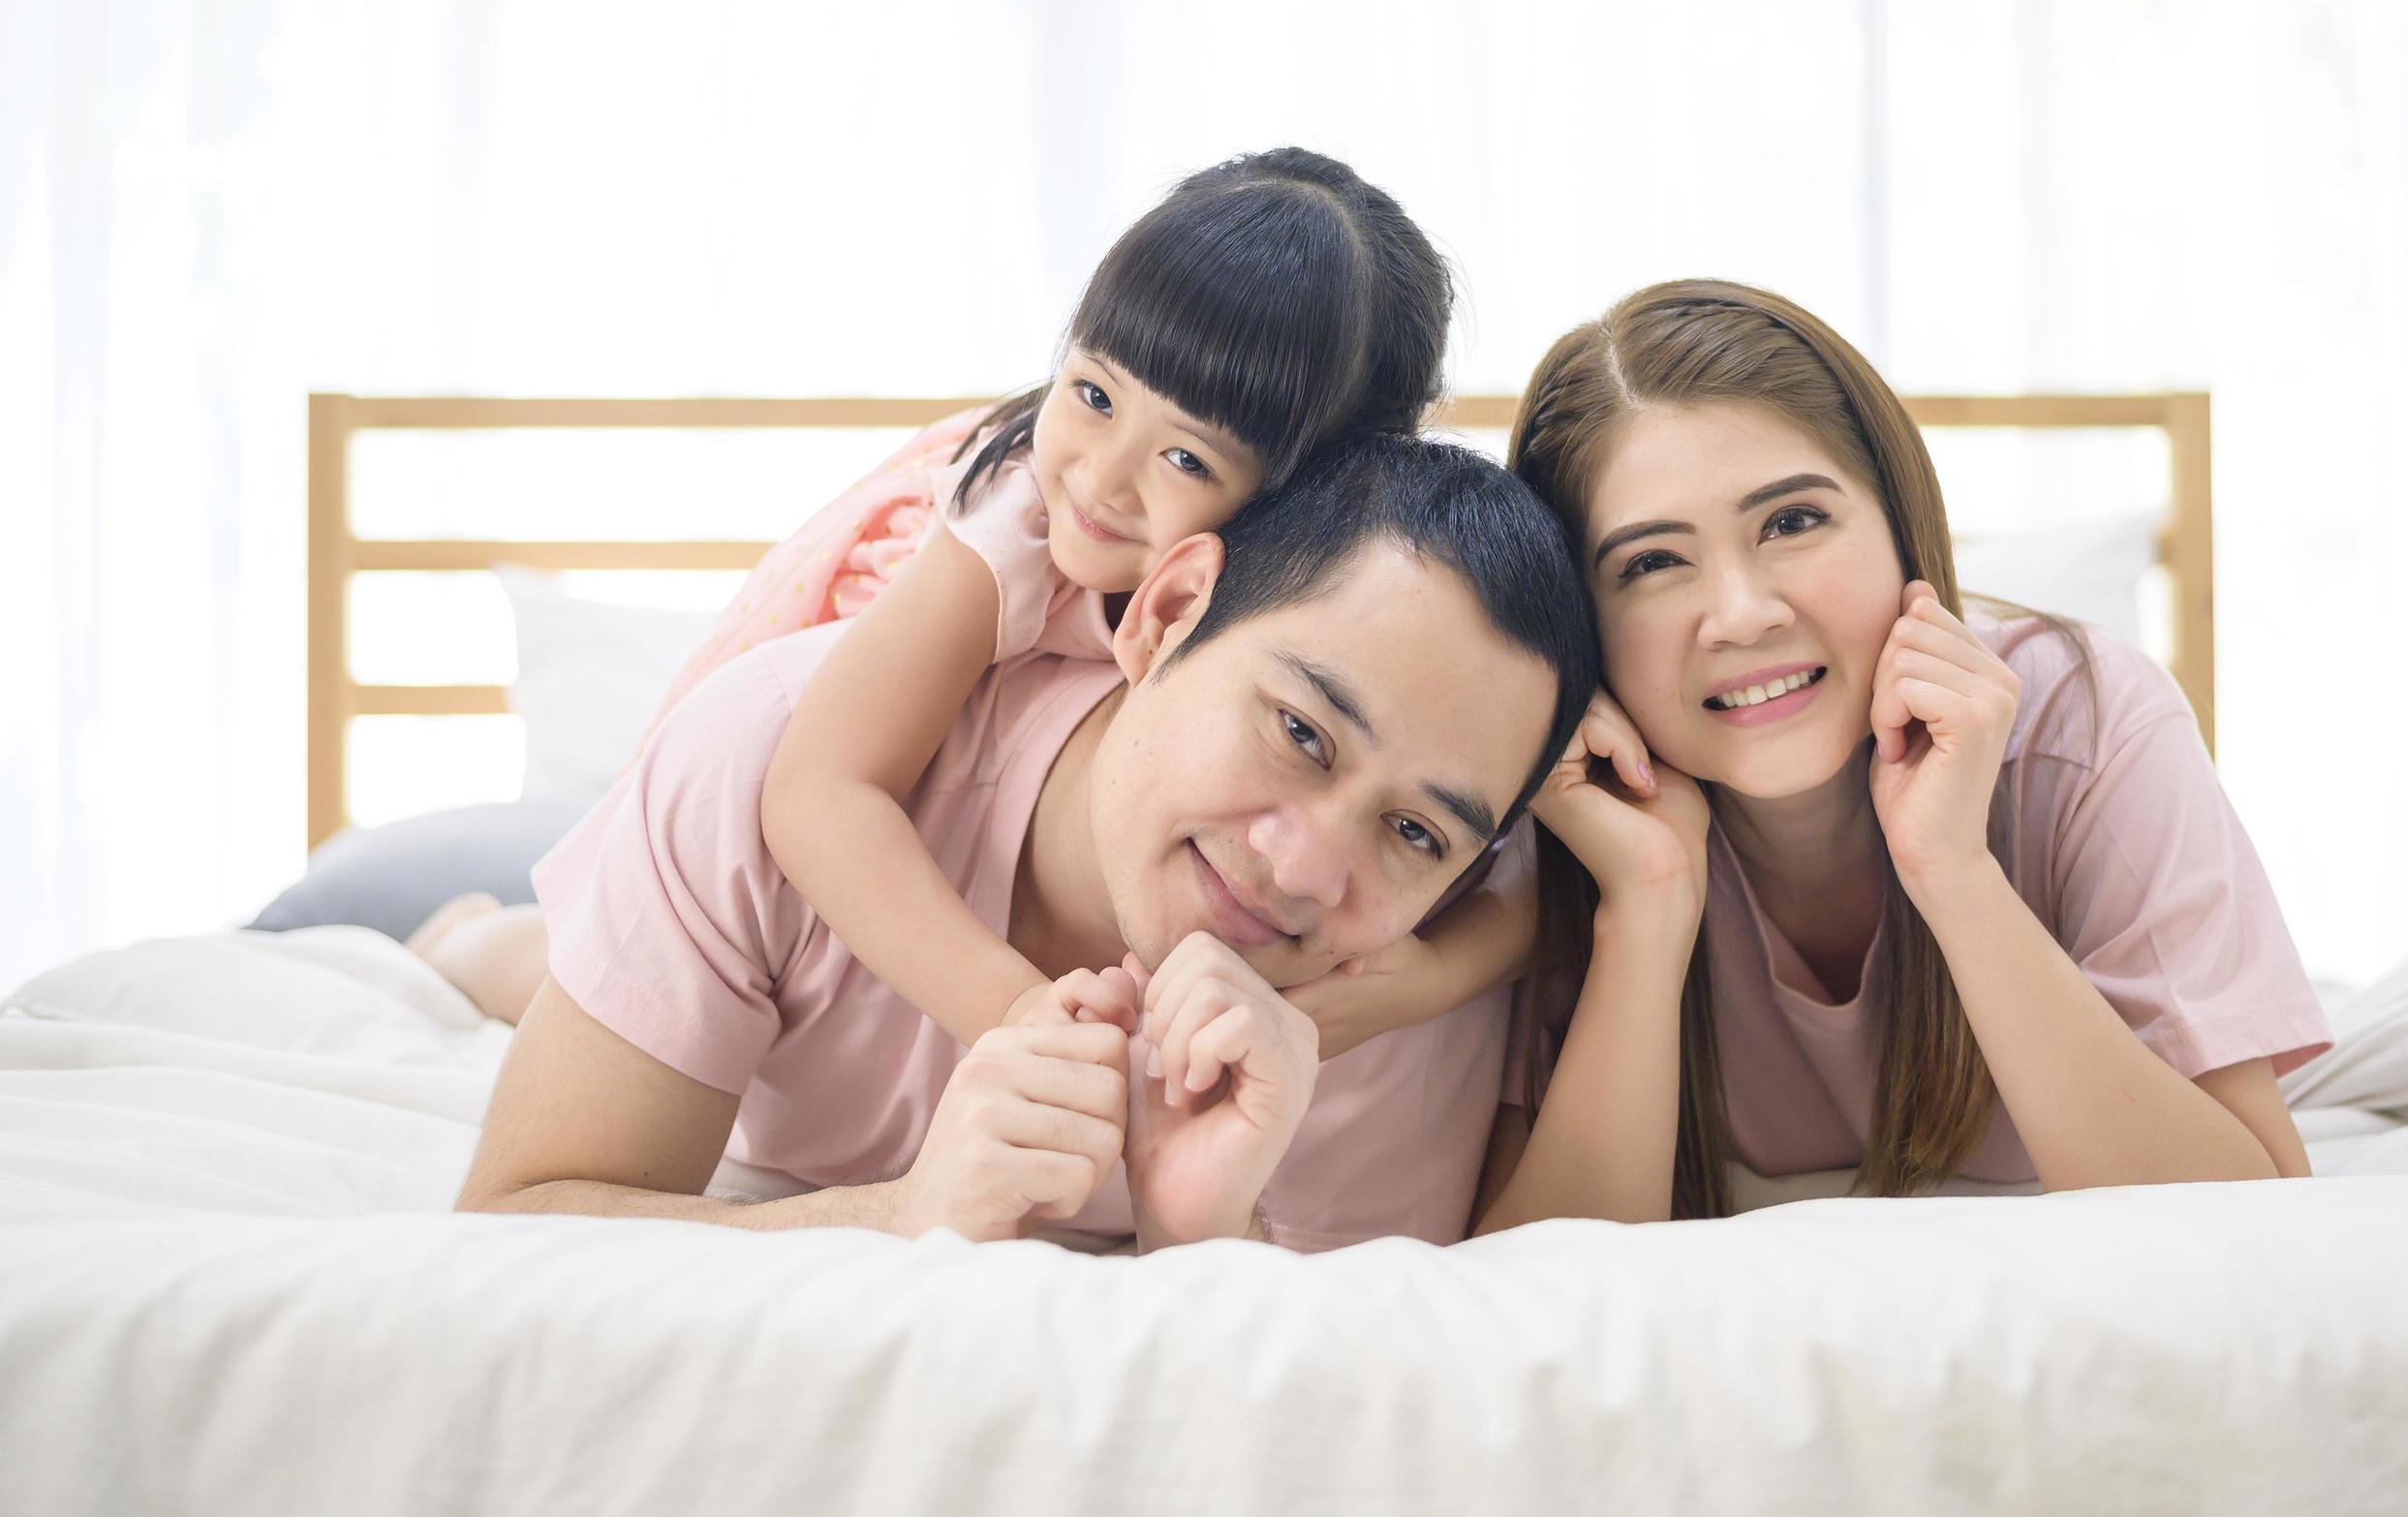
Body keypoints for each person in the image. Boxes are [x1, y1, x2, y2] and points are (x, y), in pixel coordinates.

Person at [447, 432, 1598, 1253]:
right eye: (1300, 731)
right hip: (718, 897)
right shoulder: (770, 750)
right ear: (1162, 614)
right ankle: (464, 940)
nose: (1301, 870)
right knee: (532, 956)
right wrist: (896, 1218)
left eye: (1411, 830)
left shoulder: (1419, 984)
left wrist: (1199, 1240)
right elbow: (512, 1228)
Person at [1470, 280, 2331, 1231]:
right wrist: (1645, 903)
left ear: (1899, 523)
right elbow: (1534, 1293)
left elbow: (2260, 1227)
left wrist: (1951, 869)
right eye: (1650, 563)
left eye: (1791, 521)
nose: (1745, 613)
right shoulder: (1554, 806)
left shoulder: (2088, 723)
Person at [653, 148, 1533, 1068]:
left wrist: (1428, 981)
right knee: (568, 957)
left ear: (1310, 497)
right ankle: (483, 936)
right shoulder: (1018, 519)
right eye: (1094, 394)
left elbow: (1526, 880)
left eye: (1187, 460)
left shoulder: (1376, 623)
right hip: (836, 684)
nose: (1103, 479)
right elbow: (819, 791)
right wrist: (1024, 1019)